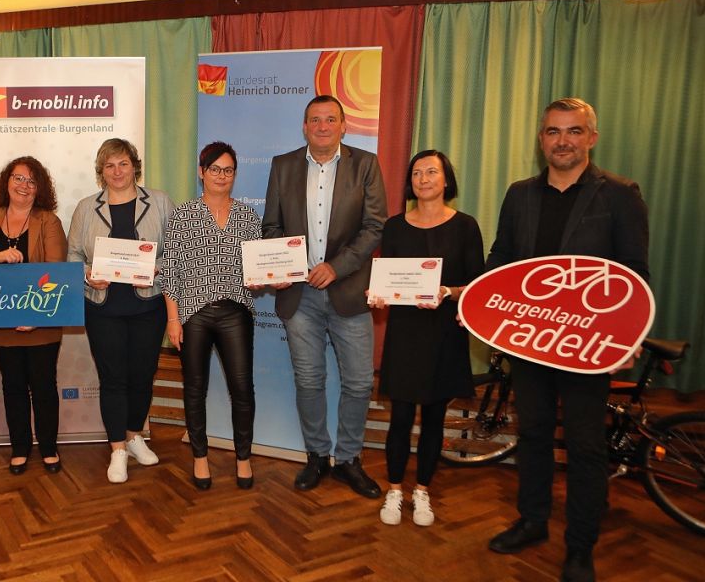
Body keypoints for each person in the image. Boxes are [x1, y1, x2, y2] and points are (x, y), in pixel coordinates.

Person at [484, 98, 649, 582]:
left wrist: (628, 335)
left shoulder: (620, 194)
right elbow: (502, 259)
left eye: (574, 131)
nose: (563, 141)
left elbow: (633, 273)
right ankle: (532, 522)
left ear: (591, 138)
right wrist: (482, 311)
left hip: (586, 346)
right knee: (533, 434)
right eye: (553, 131)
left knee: (585, 446)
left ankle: (580, 546)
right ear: (541, 139)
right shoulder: (519, 194)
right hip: (529, 340)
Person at [262, 94, 388, 498]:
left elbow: (374, 226)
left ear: (343, 125)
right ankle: (317, 455)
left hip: (349, 291)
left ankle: (348, 459)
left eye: (330, 119)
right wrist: (286, 267)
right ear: (304, 127)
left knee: (359, 382)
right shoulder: (283, 166)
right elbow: (271, 227)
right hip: (300, 296)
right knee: (309, 379)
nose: (322, 126)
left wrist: (336, 266)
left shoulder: (365, 164)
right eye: (314, 119)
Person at [369, 150, 484, 526]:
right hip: (405, 333)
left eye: (431, 172)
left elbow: (477, 285)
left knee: (434, 418)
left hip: (444, 333)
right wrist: (379, 294)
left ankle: (422, 492)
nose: (423, 179)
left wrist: (447, 292)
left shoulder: (465, 226)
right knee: (400, 418)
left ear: (446, 179)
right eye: (416, 173)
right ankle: (394, 490)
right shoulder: (395, 227)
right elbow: (387, 277)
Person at [67, 138, 175, 484]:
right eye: (110, 165)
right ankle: (117, 449)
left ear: (134, 167)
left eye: (123, 164)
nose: (117, 172)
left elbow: (175, 251)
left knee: (143, 375)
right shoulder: (86, 208)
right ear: (101, 171)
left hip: (148, 305)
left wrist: (156, 268)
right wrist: (87, 274)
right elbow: (73, 255)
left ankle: (133, 436)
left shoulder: (159, 202)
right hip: (103, 307)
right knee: (113, 378)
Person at [161, 142, 261, 490]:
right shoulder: (183, 215)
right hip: (193, 314)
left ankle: (243, 457)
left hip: (236, 312)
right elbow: (170, 271)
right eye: (215, 169)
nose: (221, 176)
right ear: (201, 172)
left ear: (235, 174)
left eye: (228, 170)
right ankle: (200, 457)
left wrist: (267, 276)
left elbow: (258, 269)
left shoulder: (248, 217)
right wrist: (173, 319)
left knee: (242, 388)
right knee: (194, 388)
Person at [0, 156, 67, 476]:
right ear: (6, 182)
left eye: (31, 181)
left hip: (41, 320)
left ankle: (48, 447)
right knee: (13, 386)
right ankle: (20, 447)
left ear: (40, 188)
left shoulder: (48, 221)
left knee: (44, 385)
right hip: (2, 318)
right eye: (18, 178)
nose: (24, 185)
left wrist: (36, 316)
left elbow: (56, 272)